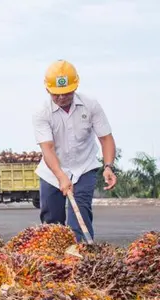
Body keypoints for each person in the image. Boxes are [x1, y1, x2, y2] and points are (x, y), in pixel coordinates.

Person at [32, 60, 117, 242]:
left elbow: (106, 138)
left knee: (79, 218)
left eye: (67, 93)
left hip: (84, 167)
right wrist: (61, 176)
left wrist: (108, 166)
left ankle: (82, 259)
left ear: (75, 87)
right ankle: (54, 263)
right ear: (48, 90)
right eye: (57, 94)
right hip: (52, 171)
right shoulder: (41, 112)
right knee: (52, 223)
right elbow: (47, 148)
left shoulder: (90, 105)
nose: (62, 98)